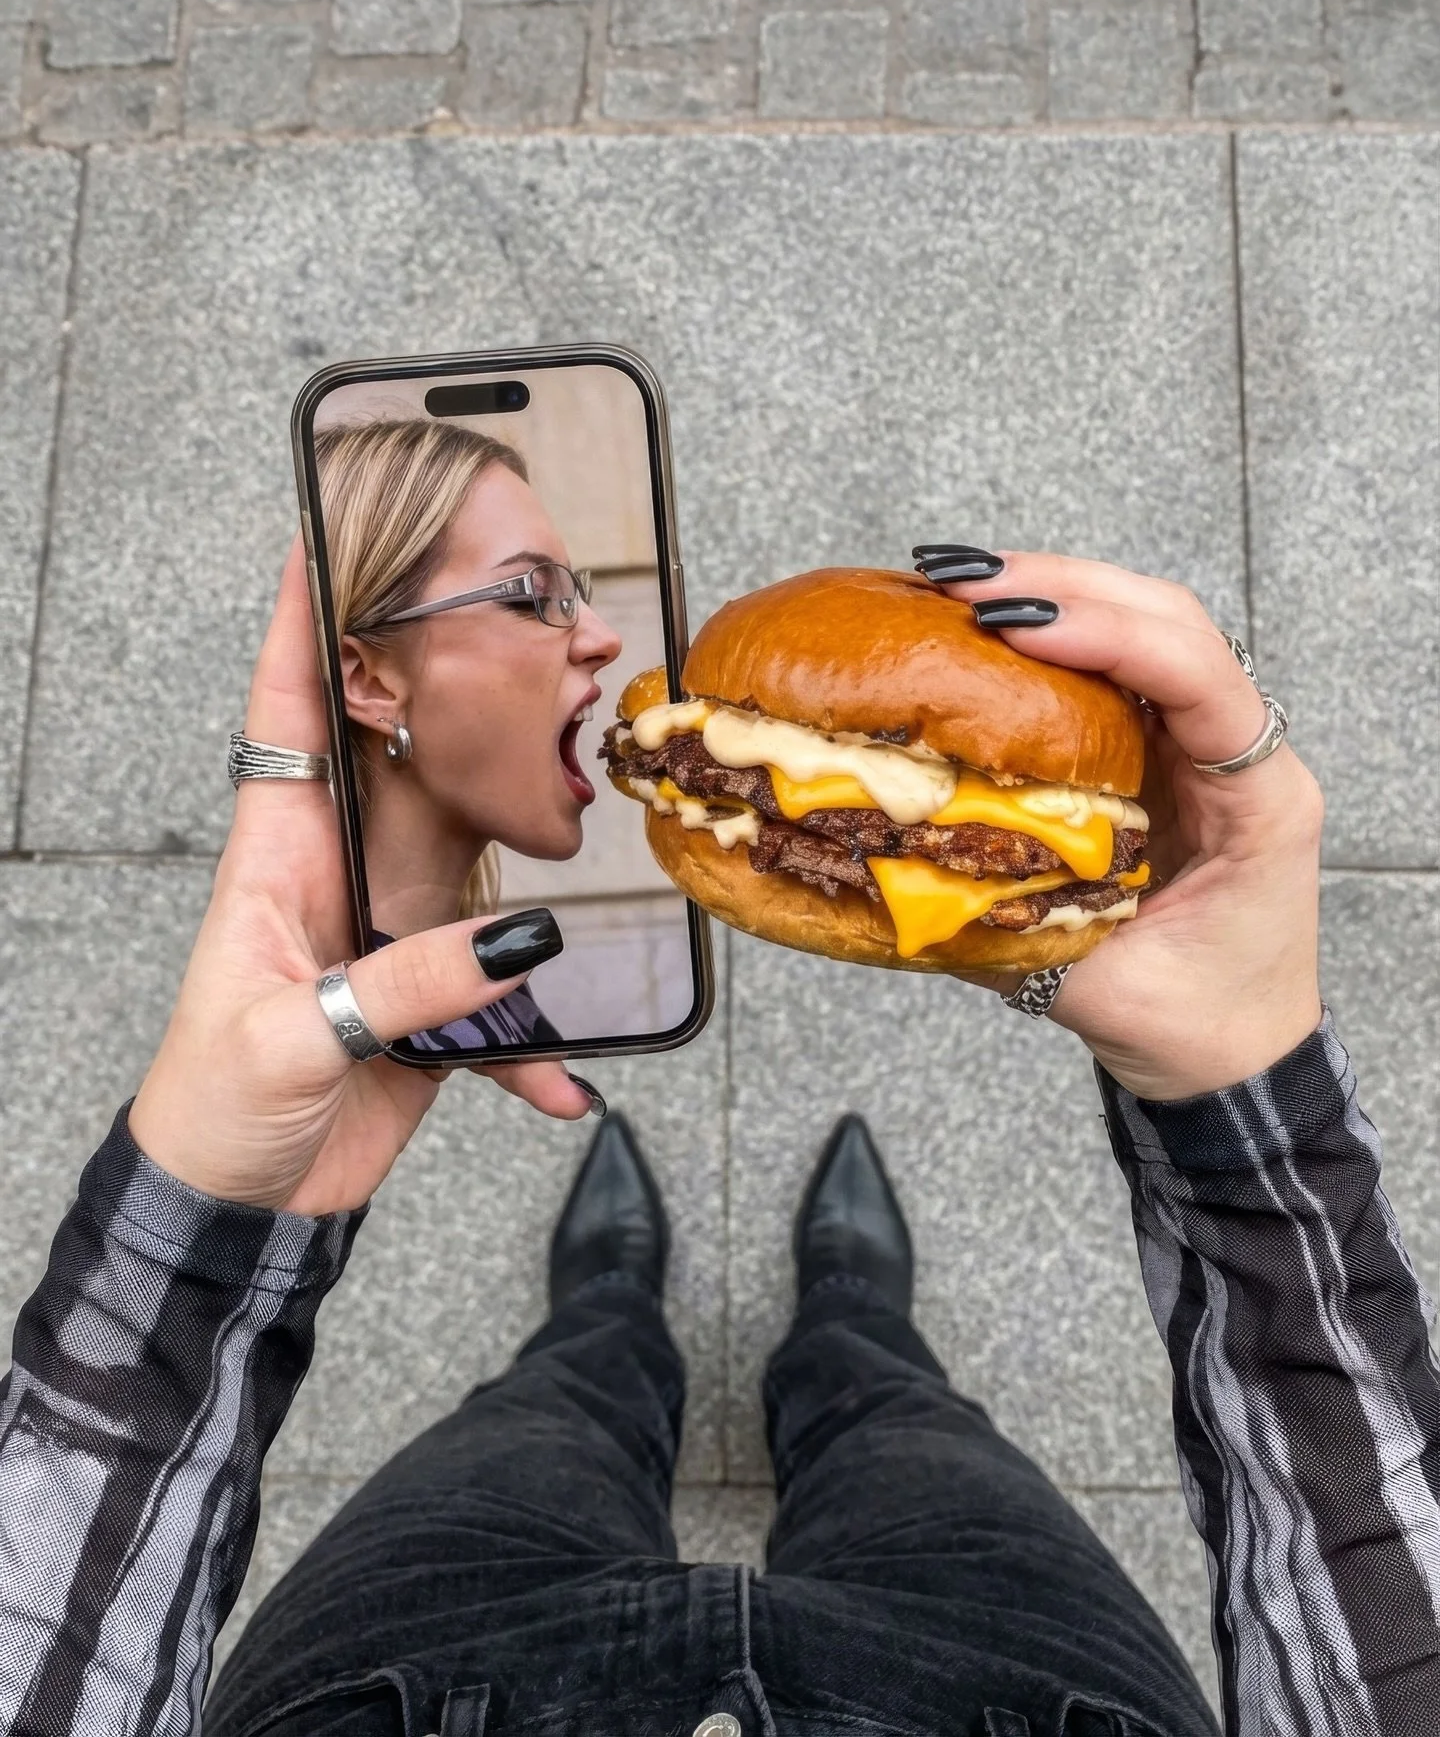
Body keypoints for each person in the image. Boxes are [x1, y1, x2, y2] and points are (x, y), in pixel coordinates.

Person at [1, 543, 1436, 1737]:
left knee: (550, 1410)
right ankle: (853, 1325)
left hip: (410, 1671)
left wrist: (193, 1248)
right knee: (902, 1420)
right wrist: (1251, 1126)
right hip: (1025, 1686)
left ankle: (612, 1314)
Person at [318, 416, 623, 1050]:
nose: (603, 640)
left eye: (576, 594)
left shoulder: (503, 1022)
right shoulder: (297, 1033)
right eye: (535, 596)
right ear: (371, 683)